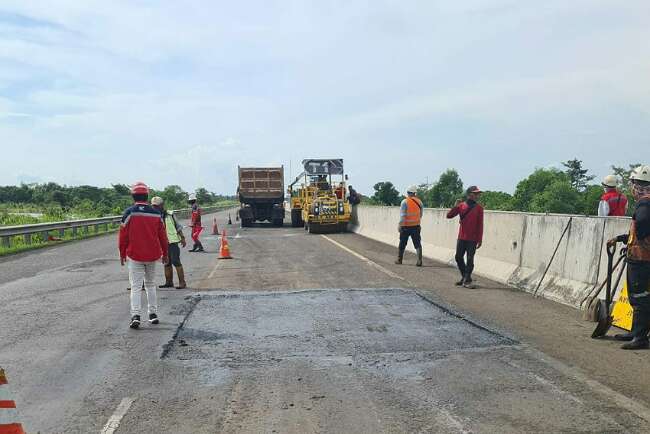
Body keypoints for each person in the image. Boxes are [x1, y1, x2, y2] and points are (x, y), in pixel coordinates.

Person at [607, 165, 650, 350]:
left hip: (641, 260)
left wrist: (639, 242)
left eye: (634, 184)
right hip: (640, 257)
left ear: (639, 186)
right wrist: (622, 239)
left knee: (639, 298)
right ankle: (635, 332)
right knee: (637, 298)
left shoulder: (645, 203)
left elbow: (641, 224)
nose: (632, 188)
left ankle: (640, 338)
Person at [119, 182, 169, 329]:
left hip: (135, 255)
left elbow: (123, 236)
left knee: (135, 287)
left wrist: (122, 253)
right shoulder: (156, 214)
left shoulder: (129, 213)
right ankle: (153, 315)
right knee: (150, 284)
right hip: (153, 255)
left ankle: (136, 316)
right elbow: (163, 236)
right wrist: (165, 253)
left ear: (133, 196)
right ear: (147, 196)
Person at [447, 186, 484, 289]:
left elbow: (480, 225)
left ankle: (467, 280)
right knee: (458, 257)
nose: (478, 195)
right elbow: (449, 215)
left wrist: (479, 239)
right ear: (469, 194)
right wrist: (455, 206)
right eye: (475, 193)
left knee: (470, 259)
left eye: (478, 194)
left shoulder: (479, 208)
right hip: (462, 237)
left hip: (472, 239)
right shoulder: (461, 206)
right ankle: (465, 277)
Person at [151, 196, 187, 289]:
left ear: (162, 205)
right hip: (162, 243)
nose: (155, 208)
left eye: (157, 206)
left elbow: (178, 226)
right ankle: (169, 282)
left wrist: (182, 238)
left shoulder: (170, 214)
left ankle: (182, 282)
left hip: (172, 242)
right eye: (154, 206)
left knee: (176, 261)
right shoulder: (153, 216)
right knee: (166, 262)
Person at [395, 185, 423, 267]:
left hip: (405, 227)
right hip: (416, 226)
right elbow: (421, 215)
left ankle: (399, 260)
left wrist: (400, 225)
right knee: (417, 243)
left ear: (408, 193)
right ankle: (419, 261)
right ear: (415, 193)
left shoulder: (404, 202)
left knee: (402, 243)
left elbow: (403, 216)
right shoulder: (420, 202)